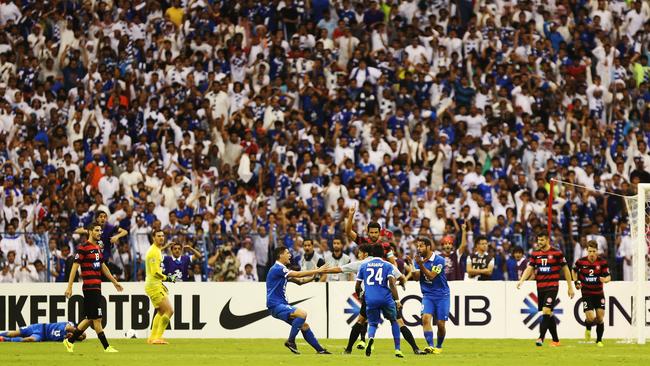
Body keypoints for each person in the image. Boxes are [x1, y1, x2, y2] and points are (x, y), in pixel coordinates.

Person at [345, 206, 423, 354]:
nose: (373, 235)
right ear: (368, 232)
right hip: (376, 290)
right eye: (371, 232)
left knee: (366, 320)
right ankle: (351, 348)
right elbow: (348, 232)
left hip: (381, 289)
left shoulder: (385, 246)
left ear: (379, 233)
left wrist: (393, 276)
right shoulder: (363, 242)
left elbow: (393, 263)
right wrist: (351, 215)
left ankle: (414, 348)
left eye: (376, 232)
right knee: (369, 320)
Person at [63, 223, 123, 353]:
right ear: (90, 232)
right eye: (96, 230)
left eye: (100, 230)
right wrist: (70, 287)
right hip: (89, 288)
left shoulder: (97, 248)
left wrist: (114, 281)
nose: (99, 232)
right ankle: (107, 347)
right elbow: (74, 267)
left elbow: (103, 267)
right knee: (97, 319)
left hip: (97, 287)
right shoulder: (83, 248)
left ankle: (70, 341)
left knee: (91, 318)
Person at [266, 246, 330, 354]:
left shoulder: (280, 271)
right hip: (276, 304)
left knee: (304, 325)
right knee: (302, 314)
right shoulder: (278, 268)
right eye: (287, 253)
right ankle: (291, 341)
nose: (290, 255)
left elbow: (300, 281)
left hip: (276, 306)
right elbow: (298, 274)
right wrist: (317, 270)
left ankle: (320, 350)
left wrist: (313, 277)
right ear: (280, 255)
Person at [517, 232, 575, 347]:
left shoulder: (557, 253)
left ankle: (541, 338)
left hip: (552, 286)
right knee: (549, 313)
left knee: (546, 311)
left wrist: (570, 286)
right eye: (538, 240)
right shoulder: (535, 254)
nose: (539, 242)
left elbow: (566, 269)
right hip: (540, 287)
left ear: (548, 240)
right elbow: (529, 268)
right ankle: (556, 340)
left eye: (542, 240)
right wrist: (522, 280)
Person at [355, 245, 404, 358]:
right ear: (383, 254)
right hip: (385, 298)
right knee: (394, 321)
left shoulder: (364, 265)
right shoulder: (388, 265)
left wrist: (360, 296)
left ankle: (371, 339)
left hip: (370, 298)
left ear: (371, 253)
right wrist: (397, 300)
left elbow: (357, 285)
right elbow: (392, 283)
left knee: (372, 323)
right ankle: (397, 349)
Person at [409, 237, 450, 354]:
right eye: (417, 246)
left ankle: (439, 346)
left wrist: (420, 265)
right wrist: (412, 266)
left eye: (421, 246)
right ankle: (431, 346)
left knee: (441, 324)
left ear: (428, 247)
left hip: (442, 295)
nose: (418, 248)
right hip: (428, 295)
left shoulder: (439, 260)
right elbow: (416, 278)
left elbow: (432, 276)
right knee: (425, 319)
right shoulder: (419, 260)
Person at [572, 240, 611, 346]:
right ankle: (588, 326)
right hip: (587, 293)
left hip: (599, 293)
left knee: (600, 318)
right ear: (586, 251)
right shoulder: (581, 262)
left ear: (597, 251)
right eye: (590, 251)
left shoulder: (602, 262)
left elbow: (608, 276)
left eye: (594, 251)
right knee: (590, 318)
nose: (592, 254)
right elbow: (574, 271)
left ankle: (599, 340)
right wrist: (576, 282)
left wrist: (605, 280)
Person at [146, 230, 178, 344]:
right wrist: (169, 278)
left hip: (155, 285)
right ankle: (157, 337)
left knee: (160, 312)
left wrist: (165, 247)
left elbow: (158, 251)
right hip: (154, 285)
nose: (161, 238)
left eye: (162, 236)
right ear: (153, 237)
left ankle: (152, 338)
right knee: (169, 311)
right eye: (158, 236)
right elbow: (155, 272)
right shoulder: (154, 252)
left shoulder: (157, 250)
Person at [0, 322, 85, 342]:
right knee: (14, 333)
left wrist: (70, 337)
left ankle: (4, 339)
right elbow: (83, 335)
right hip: (40, 327)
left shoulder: (66, 339)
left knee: (30, 339)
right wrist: (76, 332)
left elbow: (82, 337)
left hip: (42, 335)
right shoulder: (70, 324)